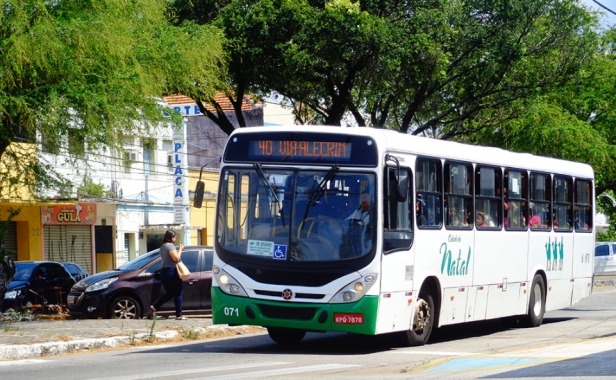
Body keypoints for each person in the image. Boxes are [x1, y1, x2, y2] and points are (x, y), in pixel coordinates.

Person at [150, 230, 187, 320]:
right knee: (178, 293)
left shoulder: (162, 247)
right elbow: (176, 258)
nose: (175, 238)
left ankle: (155, 306)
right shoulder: (170, 246)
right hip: (172, 271)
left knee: (170, 293)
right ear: (170, 237)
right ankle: (179, 315)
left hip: (164, 272)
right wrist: (180, 249)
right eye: (174, 237)